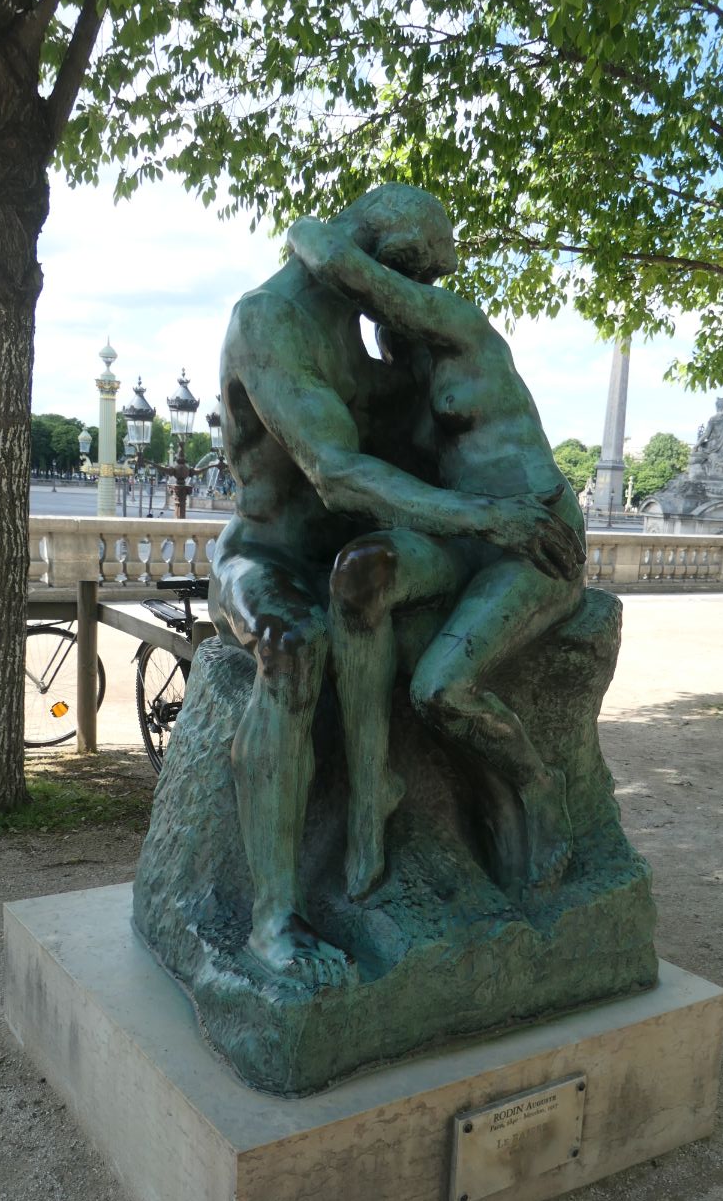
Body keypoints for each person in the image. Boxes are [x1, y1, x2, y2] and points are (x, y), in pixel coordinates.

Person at [212, 184, 582, 985]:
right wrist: (486, 516)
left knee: (370, 591)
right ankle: (273, 922)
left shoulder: (371, 340)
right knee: (292, 646)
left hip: (370, 556)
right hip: (268, 560)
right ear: (388, 261)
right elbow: (336, 472)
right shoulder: (269, 320)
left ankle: (394, 797)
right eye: (420, 276)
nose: (416, 300)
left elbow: (428, 448)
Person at [287, 212, 588, 900]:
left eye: (393, 301)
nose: (383, 329)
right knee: (359, 575)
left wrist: (308, 228)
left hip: (536, 538)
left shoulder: (459, 326)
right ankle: (371, 795)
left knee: (440, 689)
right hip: (466, 537)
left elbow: (336, 261)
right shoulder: (399, 381)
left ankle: (538, 784)